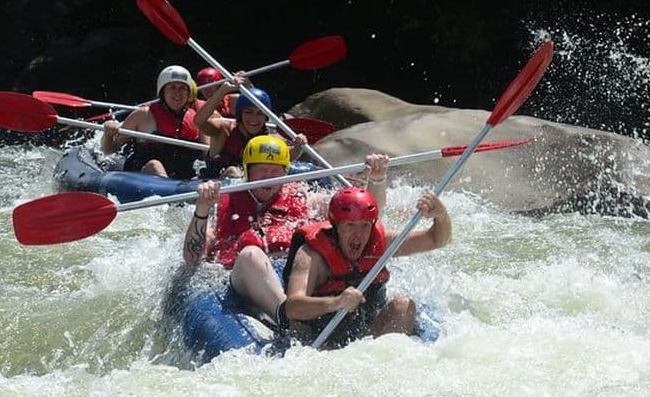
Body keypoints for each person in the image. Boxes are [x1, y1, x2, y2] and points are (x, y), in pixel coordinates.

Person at [183, 135, 390, 326]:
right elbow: (193, 257)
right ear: (247, 171)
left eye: (275, 170)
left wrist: (378, 179)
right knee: (250, 255)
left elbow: (361, 213)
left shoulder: (303, 198)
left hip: (293, 273)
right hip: (247, 277)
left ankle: (299, 314)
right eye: (261, 169)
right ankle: (287, 319)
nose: (268, 176)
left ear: (285, 172)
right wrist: (202, 210)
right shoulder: (223, 204)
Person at [281, 187, 451, 348]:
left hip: (367, 338)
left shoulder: (381, 242)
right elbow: (292, 307)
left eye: (365, 225)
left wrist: (441, 215)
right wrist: (335, 302)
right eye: (350, 225)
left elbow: (437, 239)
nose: (359, 234)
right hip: (319, 340)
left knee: (403, 306)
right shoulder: (312, 255)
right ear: (337, 225)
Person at [101, 65, 209, 179]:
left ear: (188, 93)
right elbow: (109, 150)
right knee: (155, 165)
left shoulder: (198, 119)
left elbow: (208, 155)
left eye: (182, 88)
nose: (178, 93)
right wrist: (108, 135)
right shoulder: (143, 115)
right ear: (162, 91)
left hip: (182, 180)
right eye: (172, 87)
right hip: (143, 175)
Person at [194, 84, 307, 178]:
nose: (254, 118)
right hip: (215, 183)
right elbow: (199, 121)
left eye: (259, 113)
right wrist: (222, 91)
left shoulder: (268, 138)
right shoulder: (223, 130)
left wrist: (298, 146)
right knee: (232, 171)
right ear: (240, 114)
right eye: (248, 112)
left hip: (251, 189)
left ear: (265, 117)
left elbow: (288, 157)